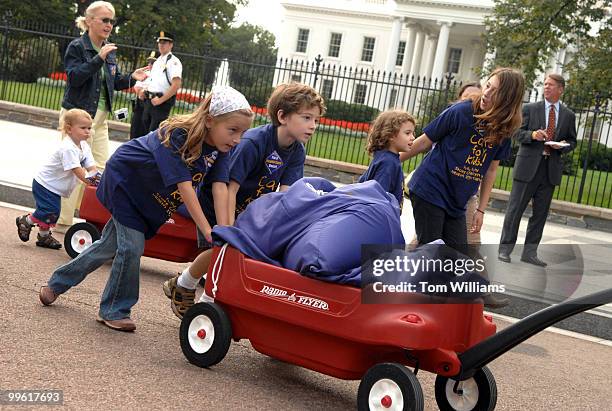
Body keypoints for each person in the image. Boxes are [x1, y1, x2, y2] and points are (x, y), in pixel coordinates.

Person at [38, 86, 253, 332]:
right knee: (132, 247)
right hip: (125, 183)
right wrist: (207, 232)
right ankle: (114, 310)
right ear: (209, 120)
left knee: (107, 247)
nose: (237, 139)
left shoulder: (221, 148)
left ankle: (56, 285)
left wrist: (225, 231)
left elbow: (220, 188)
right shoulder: (175, 135)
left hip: (149, 198)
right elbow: (185, 188)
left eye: (243, 132)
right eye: (233, 130)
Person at [162, 82, 326, 319]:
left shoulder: (297, 151)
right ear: (282, 116)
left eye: (316, 120)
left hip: (248, 211)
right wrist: (228, 228)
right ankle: (201, 299)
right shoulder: (254, 142)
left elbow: (286, 196)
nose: (312, 126)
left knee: (233, 253)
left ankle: (187, 285)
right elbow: (228, 187)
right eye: (306, 117)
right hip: (218, 202)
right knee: (226, 250)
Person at [400, 67, 525, 254]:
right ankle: (411, 282)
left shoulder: (505, 129)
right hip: (430, 189)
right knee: (431, 255)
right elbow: (425, 141)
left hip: (457, 202)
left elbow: (491, 170)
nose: (486, 93)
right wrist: (392, 158)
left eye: (495, 91)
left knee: (457, 257)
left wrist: (481, 210)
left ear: (508, 99)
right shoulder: (460, 111)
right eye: (487, 86)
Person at [56, 1, 147, 231]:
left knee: (101, 169)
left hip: (101, 119)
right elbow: (75, 77)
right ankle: (62, 223)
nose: (109, 25)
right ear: (89, 21)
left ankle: (90, 218)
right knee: (72, 168)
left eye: (111, 21)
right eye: (104, 20)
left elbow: (112, 83)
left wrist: (131, 78)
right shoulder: (78, 47)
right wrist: (99, 59)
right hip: (78, 116)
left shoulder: (109, 50)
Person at [498, 74, 577, 266]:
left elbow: (573, 141)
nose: (546, 87)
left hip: (550, 170)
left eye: (551, 85)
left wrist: (564, 145)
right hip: (527, 167)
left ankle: (530, 253)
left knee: (540, 214)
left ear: (561, 89)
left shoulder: (568, 115)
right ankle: (505, 250)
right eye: (545, 84)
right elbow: (515, 132)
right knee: (515, 210)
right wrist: (532, 135)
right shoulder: (530, 109)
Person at [16, 109, 99, 250]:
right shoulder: (67, 148)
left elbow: (91, 166)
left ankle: (43, 236)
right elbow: (77, 171)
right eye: (83, 128)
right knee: (50, 210)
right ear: (69, 129)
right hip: (45, 184)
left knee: (52, 212)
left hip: (54, 186)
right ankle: (27, 221)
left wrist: (98, 177)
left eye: (89, 128)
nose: (87, 131)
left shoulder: (84, 146)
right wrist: (91, 181)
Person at [359, 110, 416, 211]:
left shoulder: (387, 158)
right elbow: (378, 198)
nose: (413, 137)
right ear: (390, 135)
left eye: (413, 133)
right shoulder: (388, 163)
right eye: (407, 133)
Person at [141, 31, 182, 134]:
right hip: (150, 101)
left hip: (161, 103)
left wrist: (161, 100)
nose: (161, 45)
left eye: (165, 42)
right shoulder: (158, 60)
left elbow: (176, 84)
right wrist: (145, 90)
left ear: (171, 45)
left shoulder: (173, 62)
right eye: (160, 42)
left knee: (154, 135)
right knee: (146, 133)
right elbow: (154, 81)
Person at [129, 51, 157, 140]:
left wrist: (145, 91)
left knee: (147, 135)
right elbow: (137, 87)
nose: (150, 65)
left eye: (153, 63)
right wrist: (141, 91)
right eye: (149, 62)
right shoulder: (146, 73)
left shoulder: (162, 76)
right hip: (140, 106)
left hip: (151, 107)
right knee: (135, 132)